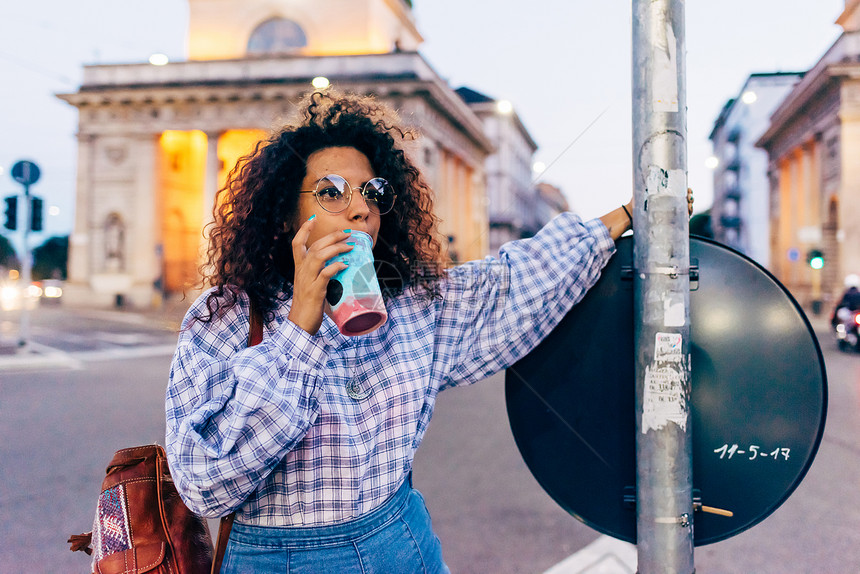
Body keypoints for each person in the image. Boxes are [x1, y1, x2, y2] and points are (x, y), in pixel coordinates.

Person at [165, 90, 635, 573]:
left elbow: (512, 283)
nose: (359, 209)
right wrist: (299, 329)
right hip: (278, 561)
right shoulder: (226, 317)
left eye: (371, 194)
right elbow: (205, 482)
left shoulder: (413, 305)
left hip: (402, 547)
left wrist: (623, 216)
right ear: (286, 213)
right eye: (331, 191)